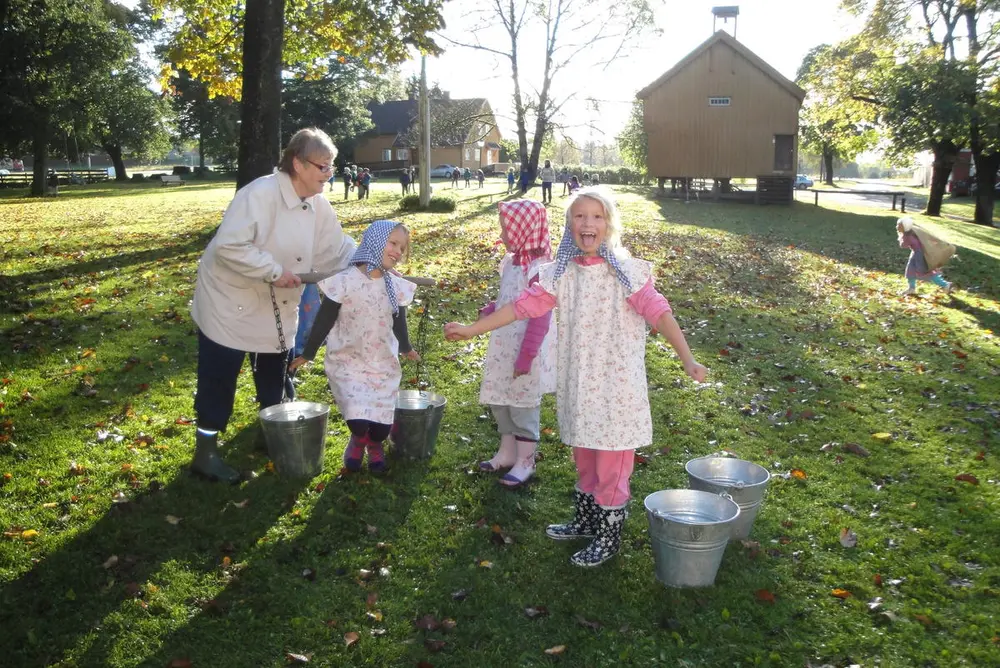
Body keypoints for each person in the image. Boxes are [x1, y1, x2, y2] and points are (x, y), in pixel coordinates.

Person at [444, 187, 707, 567]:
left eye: (597, 216)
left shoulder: (628, 275)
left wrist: (688, 358)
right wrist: (472, 329)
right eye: (580, 216)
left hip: (617, 392)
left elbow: (661, 314)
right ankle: (586, 521)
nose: (588, 223)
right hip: (580, 387)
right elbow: (520, 308)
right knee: (585, 458)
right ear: (569, 225)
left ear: (609, 224)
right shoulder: (560, 274)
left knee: (610, 468)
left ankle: (608, 536)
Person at [189, 127, 357, 483]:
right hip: (229, 298)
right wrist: (273, 270)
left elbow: (336, 249)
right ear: (297, 163)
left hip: (278, 301)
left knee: (275, 367)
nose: (329, 174)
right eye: (322, 167)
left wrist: (369, 260)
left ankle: (274, 432)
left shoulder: (318, 205)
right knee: (220, 375)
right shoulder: (259, 194)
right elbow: (230, 247)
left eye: (332, 166)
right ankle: (206, 452)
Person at [291, 220, 420, 473]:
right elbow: (324, 319)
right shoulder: (344, 281)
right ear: (374, 240)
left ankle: (375, 443)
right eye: (393, 243)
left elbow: (398, 320)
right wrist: (308, 352)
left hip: (382, 362)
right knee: (357, 418)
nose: (397, 251)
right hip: (347, 360)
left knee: (381, 426)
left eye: (402, 248)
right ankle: (360, 439)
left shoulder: (395, 285)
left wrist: (405, 347)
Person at [476, 200, 557, 487]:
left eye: (506, 229)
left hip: (527, 349)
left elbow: (540, 318)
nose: (502, 235)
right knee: (501, 399)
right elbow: (509, 301)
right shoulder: (511, 261)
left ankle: (526, 460)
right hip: (504, 346)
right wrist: (490, 310)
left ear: (524, 229)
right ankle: (507, 451)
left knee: (522, 404)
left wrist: (527, 356)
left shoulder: (541, 268)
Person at [897, 216, 955, 296]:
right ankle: (911, 288)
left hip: (920, 255)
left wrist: (901, 237)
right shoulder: (914, 231)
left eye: (899, 226)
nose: (897, 227)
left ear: (905, 227)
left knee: (926, 272)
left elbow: (903, 245)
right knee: (910, 270)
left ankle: (945, 285)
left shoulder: (907, 237)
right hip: (917, 253)